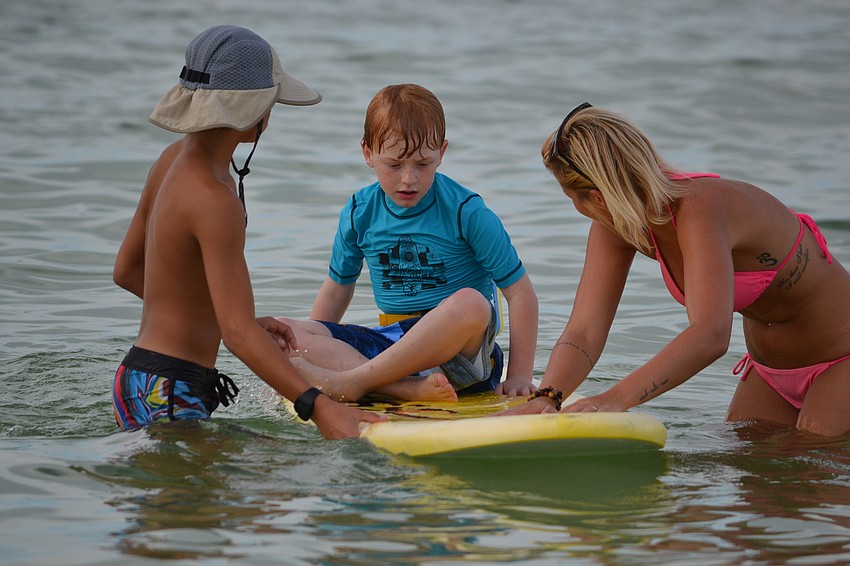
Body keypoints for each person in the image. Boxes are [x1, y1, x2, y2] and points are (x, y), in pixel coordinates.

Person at [506, 102, 850, 437]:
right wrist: (548, 396)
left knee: (812, 470)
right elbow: (584, 332)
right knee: (742, 474)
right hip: (770, 371)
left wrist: (613, 400)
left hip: (840, 359)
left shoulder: (700, 207)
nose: (579, 209)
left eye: (573, 198)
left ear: (596, 196)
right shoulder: (616, 226)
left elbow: (710, 334)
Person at [111, 25, 382, 438]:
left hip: (137, 379)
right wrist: (320, 406)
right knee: (275, 488)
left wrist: (236, 317)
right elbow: (237, 335)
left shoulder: (170, 161)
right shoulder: (216, 199)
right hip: (171, 392)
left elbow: (127, 271)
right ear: (253, 112)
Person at [277, 84, 538, 403]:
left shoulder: (466, 212)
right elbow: (336, 288)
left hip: (461, 358)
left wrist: (520, 376)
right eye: (395, 165)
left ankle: (356, 381)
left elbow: (520, 292)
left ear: (441, 153)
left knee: (471, 303)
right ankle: (401, 389)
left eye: (422, 164)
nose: (408, 179)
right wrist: (309, 344)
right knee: (282, 332)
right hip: (392, 348)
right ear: (368, 153)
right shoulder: (360, 211)